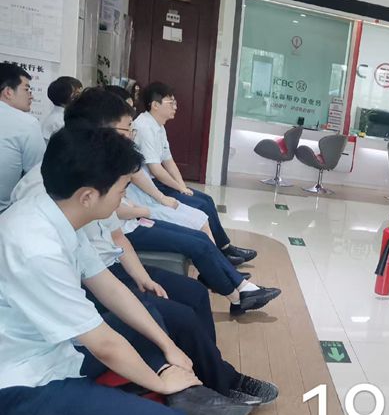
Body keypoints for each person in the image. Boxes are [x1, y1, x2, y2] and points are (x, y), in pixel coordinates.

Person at [0, 126, 277, 415]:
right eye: (121, 188)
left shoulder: (56, 211)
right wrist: (159, 382)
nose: (123, 198)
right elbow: (104, 344)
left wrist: (167, 347)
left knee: (160, 323)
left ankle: (186, 384)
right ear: (88, 195)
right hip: (22, 387)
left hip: (53, 349)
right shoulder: (35, 245)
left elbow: (107, 286)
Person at [13, 87, 280, 315]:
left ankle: (237, 285)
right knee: (196, 237)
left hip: (126, 227)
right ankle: (236, 289)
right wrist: (146, 207)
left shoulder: (109, 160)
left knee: (200, 220)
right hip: (124, 234)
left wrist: (159, 199)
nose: (132, 135)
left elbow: (116, 224)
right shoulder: (59, 185)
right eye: (127, 128)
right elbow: (107, 235)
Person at [135, 81, 255, 264]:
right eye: (171, 103)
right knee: (201, 204)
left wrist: (182, 186)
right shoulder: (143, 127)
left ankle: (224, 247)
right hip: (149, 187)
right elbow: (156, 170)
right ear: (155, 105)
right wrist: (179, 188)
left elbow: (168, 161)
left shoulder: (159, 126)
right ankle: (221, 252)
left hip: (157, 183)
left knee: (207, 200)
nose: (175, 107)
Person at [0, 63, 45, 213]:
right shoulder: (27, 123)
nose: (31, 95)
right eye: (26, 89)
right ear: (8, 92)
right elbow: (37, 174)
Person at [41, 75, 82, 141]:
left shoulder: (71, 116)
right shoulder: (56, 121)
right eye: (77, 93)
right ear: (65, 94)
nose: (81, 97)